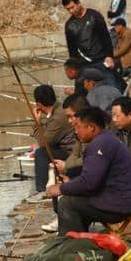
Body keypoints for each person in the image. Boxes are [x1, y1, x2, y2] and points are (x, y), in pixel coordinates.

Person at [45, 107, 131, 235]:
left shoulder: (100, 144)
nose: (75, 131)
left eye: (78, 127)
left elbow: (89, 183)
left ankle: (72, 245)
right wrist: (71, 182)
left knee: (66, 203)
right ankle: (82, 238)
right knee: (74, 194)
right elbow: (94, 177)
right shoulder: (106, 138)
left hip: (118, 205)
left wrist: (61, 188)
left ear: (91, 127)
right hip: (120, 199)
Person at [41, 95, 90, 233]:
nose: (68, 121)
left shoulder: (92, 129)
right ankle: (61, 218)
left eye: (70, 116)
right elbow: (75, 153)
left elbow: (91, 159)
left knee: (64, 184)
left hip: (95, 179)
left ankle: (65, 221)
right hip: (82, 167)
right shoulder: (79, 129)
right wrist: (64, 167)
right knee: (59, 170)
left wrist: (67, 168)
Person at [32, 85, 77, 192]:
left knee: (41, 153)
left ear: (38, 104)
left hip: (71, 153)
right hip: (70, 149)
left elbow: (44, 143)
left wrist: (37, 123)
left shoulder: (57, 118)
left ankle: (41, 190)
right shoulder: (60, 108)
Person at [63, 0, 115, 70]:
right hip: (84, 64)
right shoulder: (69, 25)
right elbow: (72, 49)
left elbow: (105, 37)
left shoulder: (94, 15)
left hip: (102, 60)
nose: (71, 11)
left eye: (72, 7)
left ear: (79, 3)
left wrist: (109, 56)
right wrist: (75, 66)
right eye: (68, 9)